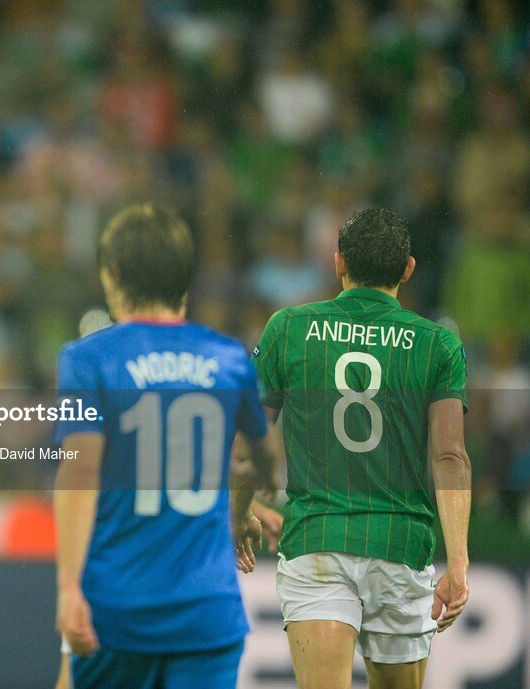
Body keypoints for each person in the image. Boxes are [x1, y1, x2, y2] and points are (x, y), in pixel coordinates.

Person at [53, 203, 281, 689]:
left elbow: (79, 473)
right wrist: (240, 513)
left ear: (112, 274)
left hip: (114, 610)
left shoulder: (86, 360)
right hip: (208, 614)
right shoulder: (228, 358)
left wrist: (69, 587)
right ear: (186, 278)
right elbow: (252, 465)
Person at [252, 207, 471, 689]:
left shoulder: (287, 328)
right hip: (400, 545)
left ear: (337, 263)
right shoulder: (438, 345)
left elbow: (247, 437)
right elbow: (450, 456)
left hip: (317, 541)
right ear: (409, 269)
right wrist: (458, 562)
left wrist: (243, 505)